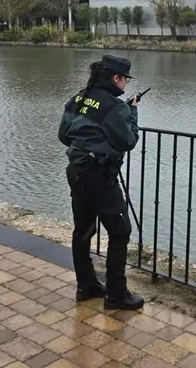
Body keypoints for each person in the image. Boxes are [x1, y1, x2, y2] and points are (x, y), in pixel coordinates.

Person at [58, 54, 144, 310]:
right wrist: (132, 113)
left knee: (83, 231)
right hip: (99, 176)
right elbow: (127, 141)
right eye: (125, 79)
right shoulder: (115, 107)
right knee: (120, 231)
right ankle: (116, 294)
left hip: (76, 171)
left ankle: (86, 286)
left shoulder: (78, 98)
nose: (126, 84)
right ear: (116, 78)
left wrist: (88, 142)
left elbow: (64, 135)